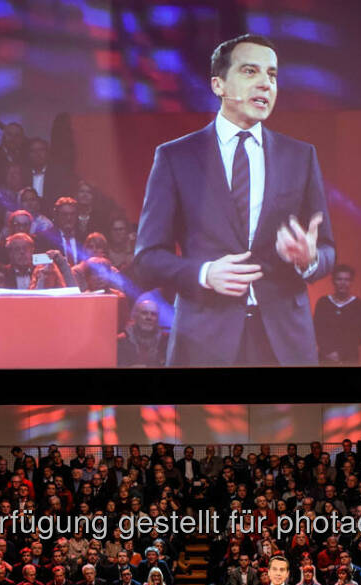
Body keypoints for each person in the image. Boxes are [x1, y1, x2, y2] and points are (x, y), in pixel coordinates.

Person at [135, 34, 334, 367]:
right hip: (204, 338)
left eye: (271, 75)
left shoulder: (299, 156)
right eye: (250, 71)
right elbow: (148, 257)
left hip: (285, 343)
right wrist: (204, 272)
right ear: (219, 85)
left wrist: (309, 259)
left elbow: (327, 248)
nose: (265, 84)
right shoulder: (176, 157)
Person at [312, 264, 361, 363]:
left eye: (347, 280)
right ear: (333, 281)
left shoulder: (359, 305)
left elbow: (360, 334)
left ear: (351, 282)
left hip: (350, 357)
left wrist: (341, 354)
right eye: (339, 279)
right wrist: (329, 352)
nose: (343, 283)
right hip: (326, 356)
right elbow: (317, 329)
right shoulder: (323, 302)